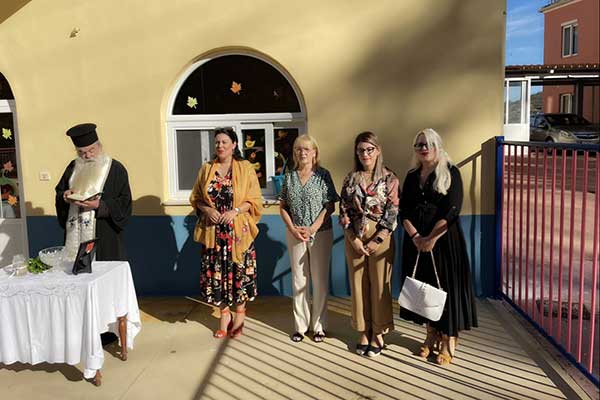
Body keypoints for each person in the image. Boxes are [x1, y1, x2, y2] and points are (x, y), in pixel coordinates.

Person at [55, 123, 133, 381]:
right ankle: (83, 333)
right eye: (82, 152)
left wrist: (101, 205)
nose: (86, 156)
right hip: (76, 237)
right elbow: (59, 192)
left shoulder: (115, 168)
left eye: (90, 151)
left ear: (99, 146)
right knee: (80, 287)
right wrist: (65, 196)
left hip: (105, 238)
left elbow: (125, 203)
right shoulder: (72, 167)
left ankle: (108, 333)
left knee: (105, 290)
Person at [399, 128, 478, 365]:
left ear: (438, 146)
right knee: (425, 288)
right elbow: (404, 210)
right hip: (416, 242)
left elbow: (452, 209)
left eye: (428, 144)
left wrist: (431, 238)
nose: (424, 148)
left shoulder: (450, 172)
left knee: (446, 289)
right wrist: (416, 237)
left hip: (444, 242)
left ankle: (448, 338)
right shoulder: (412, 175)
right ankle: (431, 333)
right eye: (419, 144)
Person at [190, 127, 263, 339]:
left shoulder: (245, 167)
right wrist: (208, 210)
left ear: (234, 145)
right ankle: (224, 315)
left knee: (239, 272)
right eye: (217, 142)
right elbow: (197, 198)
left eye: (224, 142)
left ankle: (239, 315)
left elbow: (254, 199)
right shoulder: (207, 169)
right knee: (216, 274)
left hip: (238, 233)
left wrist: (235, 211)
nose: (220, 146)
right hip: (214, 233)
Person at [339, 131, 399, 357]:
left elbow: (392, 212)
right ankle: (363, 330)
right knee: (358, 286)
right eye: (361, 150)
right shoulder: (350, 178)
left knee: (380, 286)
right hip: (354, 237)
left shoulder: (390, 179)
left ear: (378, 150)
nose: (365, 154)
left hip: (380, 237)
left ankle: (378, 332)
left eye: (369, 149)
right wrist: (352, 238)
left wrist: (378, 239)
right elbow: (343, 210)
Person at [279, 134, 339, 343]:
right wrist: (292, 228)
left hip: (320, 233)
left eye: (306, 149)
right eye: (298, 149)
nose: (302, 152)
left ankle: (319, 327)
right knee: (299, 280)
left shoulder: (323, 175)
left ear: (314, 152)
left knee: (319, 280)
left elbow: (330, 205)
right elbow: (283, 206)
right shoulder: (289, 177)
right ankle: (301, 327)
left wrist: (313, 228)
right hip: (295, 234)